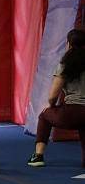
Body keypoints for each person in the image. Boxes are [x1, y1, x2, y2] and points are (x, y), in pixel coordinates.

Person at [27, 28, 85, 167]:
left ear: (69, 44)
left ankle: (38, 156)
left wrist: (51, 106)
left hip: (71, 113)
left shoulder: (64, 65)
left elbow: (53, 96)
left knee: (44, 115)